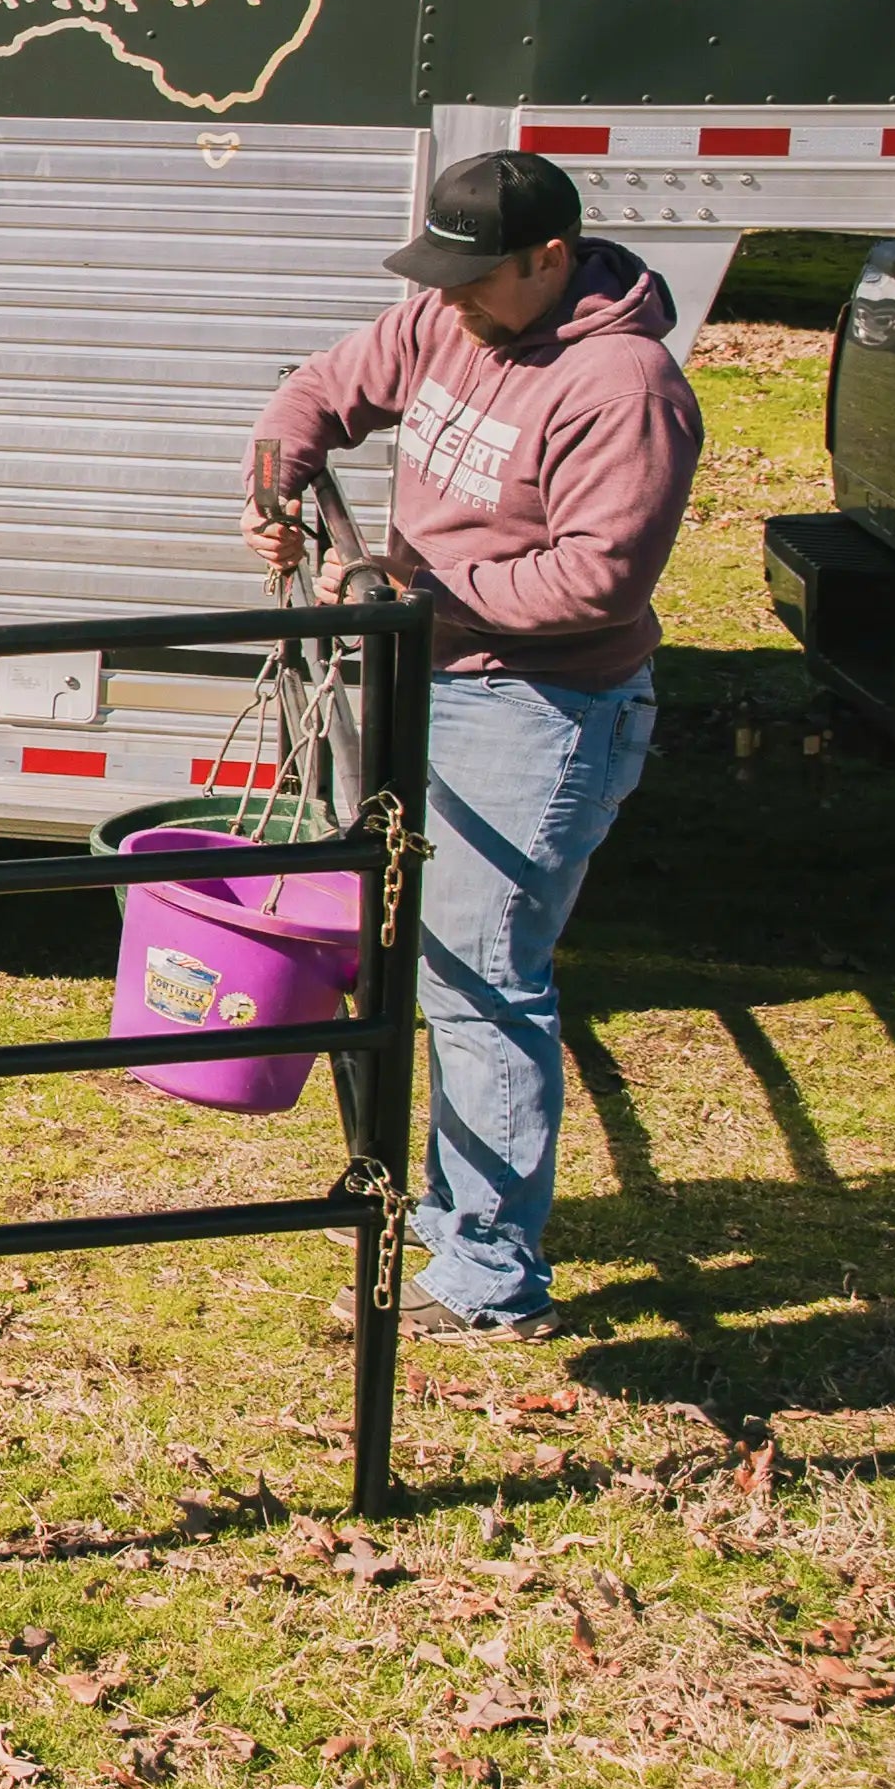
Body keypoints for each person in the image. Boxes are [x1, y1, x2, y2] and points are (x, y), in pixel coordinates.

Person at [243, 147, 703, 1341]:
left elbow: (596, 580)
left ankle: (488, 1275)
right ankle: (440, 1205)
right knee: (418, 951)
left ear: (547, 258)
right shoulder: (448, 316)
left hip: (539, 709)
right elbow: (317, 389)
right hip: (434, 671)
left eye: (470, 277)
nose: (444, 301)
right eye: (435, 277)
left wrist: (416, 596)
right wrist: (275, 481)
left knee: (480, 976)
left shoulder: (624, 388)